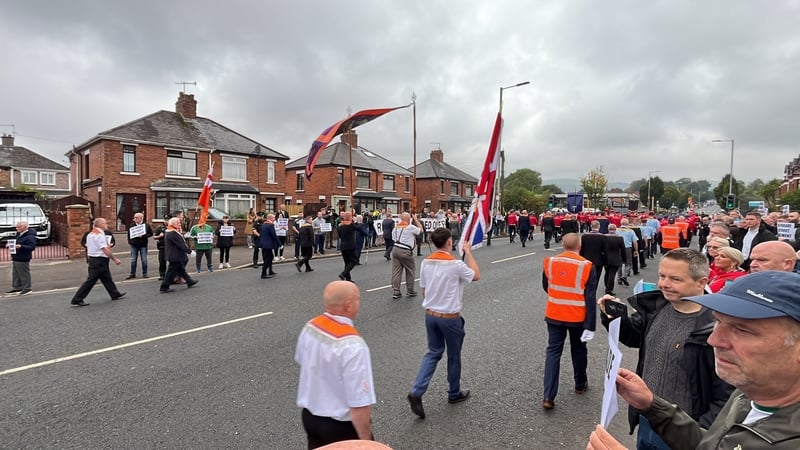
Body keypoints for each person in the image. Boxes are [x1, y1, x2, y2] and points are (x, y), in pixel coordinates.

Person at [587, 271, 800, 450]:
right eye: (718, 322)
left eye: (742, 330)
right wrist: (653, 406)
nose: (714, 340)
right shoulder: (749, 394)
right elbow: (712, 444)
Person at [597, 248, 732, 449]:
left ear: (701, 282)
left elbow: (726, 395)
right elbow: (636, 337)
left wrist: (704, 435)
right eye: (662, 276)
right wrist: (615, 319)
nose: (664, 284)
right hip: (647, 420)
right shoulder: (657, 307)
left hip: (685, 434)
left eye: (675, 279)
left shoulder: (716, 330)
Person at [407, 227, 480, 419]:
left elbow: (424, 290)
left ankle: (417, 390)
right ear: (449, 243)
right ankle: (454, 392)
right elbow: (476, 275)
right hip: (450, 317)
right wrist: (469, 253)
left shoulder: (426, 262)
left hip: (430, 314)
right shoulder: (455, 264)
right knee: (453, 355)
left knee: (433, 352)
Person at [295, 280, 375, 448]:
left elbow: (303, 361)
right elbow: (359, 404)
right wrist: (366, 441)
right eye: (358, 299)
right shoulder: (353, 344)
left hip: (310, 417)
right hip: (340, 427)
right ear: (348, 305)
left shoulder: (311, 326)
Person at [541, 233, 598, 410]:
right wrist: (591, 325)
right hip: (577, 316)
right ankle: (580, 384)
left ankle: (548, 397)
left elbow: (546, 285)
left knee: (553, 352)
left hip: (554, 313)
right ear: (579, 247)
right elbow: (590, 297)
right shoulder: (587, 266)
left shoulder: (549, 261)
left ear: (563, 245)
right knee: (579, 349)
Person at [70, 218, 125, 306]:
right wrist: (115, 259)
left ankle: (114, 294)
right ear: (100, 224)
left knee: (106, 278)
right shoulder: (99, 235)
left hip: (94, 259)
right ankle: (77, 299)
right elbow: (104, 249)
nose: (107, 225)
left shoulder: (91, 234)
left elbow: (89, 247)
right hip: (99, 260)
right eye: (105, 223)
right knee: (91, 280)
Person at [159, 217, 198, 293]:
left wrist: (184, 235)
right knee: (171, 272)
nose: (180, 224)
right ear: (173, 224)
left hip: (174, 255)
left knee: (181, 270)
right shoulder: (172, 233)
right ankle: (164, 286)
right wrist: (190, 251)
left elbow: (180, 240)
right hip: (175, 255)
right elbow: (180, 244)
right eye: (178, 223)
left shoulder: (170, 231)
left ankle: (189, 281)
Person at [390, 212, 422, 299]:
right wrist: (416, 220)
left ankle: (396, 291)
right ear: (409, 219)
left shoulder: (396, 227)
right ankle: (410, 290)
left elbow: (393, 238)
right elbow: (420, 230)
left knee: (396, 271)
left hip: (395, 249)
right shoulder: (410, 227)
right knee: (410, 270)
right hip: (405, 251)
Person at [7, 220, 36, 295]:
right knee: (16, 274)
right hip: (16, 256)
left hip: (23, 257)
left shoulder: (30, 236)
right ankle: (17, 287)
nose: (17, 228)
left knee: (24, 274)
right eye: (16, 227)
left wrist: (20, 246)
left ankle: (27, 288)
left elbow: (32, 247)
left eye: (18, 227)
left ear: (24, 227)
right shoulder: (19, 234)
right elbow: (15, 242)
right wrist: (10, 245)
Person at [337, 212, 363, 282]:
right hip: (351, 246)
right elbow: (360, 229)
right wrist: (356, 222)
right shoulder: (351, 225)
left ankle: (348, 279)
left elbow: (340, 236)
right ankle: (343, 274)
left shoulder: (340, 226)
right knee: (354, 261)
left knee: (347, 263)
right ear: (350, 217)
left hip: (343, 246)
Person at [126, 212, 153, 279]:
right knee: (133, 260)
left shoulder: (146, 225)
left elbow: (151, 233)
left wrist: (143, 236)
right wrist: (130, 242)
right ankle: (132, 273)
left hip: (143, 245)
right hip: (134, 245)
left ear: (141, 218)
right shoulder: (132, 225)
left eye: (136, 218)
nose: (135, 219)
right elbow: (129, 234)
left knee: (144, 260)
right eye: (134, 217)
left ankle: (144, 273)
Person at [257, 213, 280, 279]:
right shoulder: (270, 225)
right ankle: (263, 273)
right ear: (270, 218)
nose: (274, 219)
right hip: (268, 245)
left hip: (263, 244)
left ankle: (270, 271)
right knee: (268, 259)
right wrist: (279, 244)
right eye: (273, 218)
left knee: (270, 257)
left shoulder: (263, 225)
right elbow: (274, 235)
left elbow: (261, 235)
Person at [153, 216, 169, 280]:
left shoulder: (173, 227)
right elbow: (154, 237)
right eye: (165, 220)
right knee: (162, 261)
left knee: (173, 262)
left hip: (171, 247)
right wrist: (159, 236)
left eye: (167, 220)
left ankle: (172, 274)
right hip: (162, 247)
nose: (166, 221)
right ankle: (162, 275)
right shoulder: (160, 228)